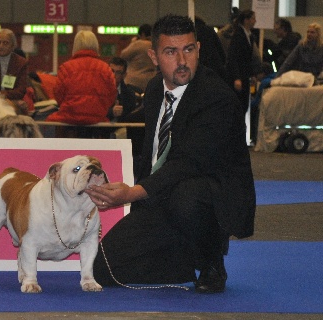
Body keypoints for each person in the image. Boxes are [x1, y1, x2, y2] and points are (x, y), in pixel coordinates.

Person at [86, 14, 256, 293]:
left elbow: (188, 162)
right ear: (154, 56)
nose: (181, 61)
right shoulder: (154, 90)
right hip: (161, 195)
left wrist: (132, 193)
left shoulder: (217, 97)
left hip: (210, 198)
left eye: (188, 50)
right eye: (170, 52)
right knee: (102, 270)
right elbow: (154, 154)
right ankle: (183, 258)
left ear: (198, 49)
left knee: (186, 195)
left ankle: (211, 262)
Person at [46, 30, 116, 128]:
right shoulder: (106, 68)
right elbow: (111, 96)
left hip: (69, 118)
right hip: (97, 118)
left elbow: (58, 94)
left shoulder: (66, 67)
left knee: (48, 121)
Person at [226, 9, 258, 116]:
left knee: (243, 105)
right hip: (239, 76)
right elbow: (233, 58)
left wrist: (252, 74)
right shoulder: (238, 36)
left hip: (244, 75)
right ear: (246, 20)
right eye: (253, 18)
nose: (255, 21)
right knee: (239, 105)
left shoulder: (249, 36)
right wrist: (237, 78)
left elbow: (248, 59)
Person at [120, 24, 157, 92]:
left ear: (142, 34)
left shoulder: (139, 44)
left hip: (134, 81)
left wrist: (133, 42)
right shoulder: (156, 45)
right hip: (150, 80)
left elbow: (123, 55)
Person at [195, 16, 227, 81]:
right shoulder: (209, 30)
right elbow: (221, 51)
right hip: (215, 67)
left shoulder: (192, 33)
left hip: (201, 69)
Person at [107, 56, 137, 122]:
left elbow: (130, 117)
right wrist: (111, 112)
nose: (113, 75)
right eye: (111, 71)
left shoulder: (129, 94)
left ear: (124, 75)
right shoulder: (98, 90)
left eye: (118, 72)